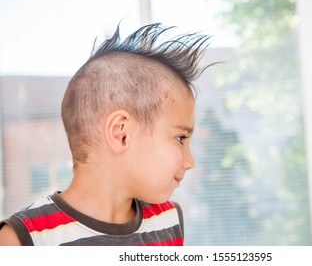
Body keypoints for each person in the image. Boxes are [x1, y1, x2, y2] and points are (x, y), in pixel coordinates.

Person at [0, 22, 213, 245]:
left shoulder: (169, 221)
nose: (190, 162)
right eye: (180, 138)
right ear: (121, 133)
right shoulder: (22, 240)